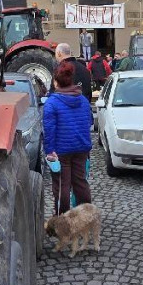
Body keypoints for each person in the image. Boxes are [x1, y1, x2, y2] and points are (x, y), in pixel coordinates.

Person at [42, 62, 93, 215]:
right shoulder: (83, 100)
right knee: (80, 183)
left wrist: (49, 151)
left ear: (55, 82)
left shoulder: (52, 102)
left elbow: (49, 130)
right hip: (81, 148)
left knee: (62, 185)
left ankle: (62, 219)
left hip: (61, 151)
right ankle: (86, 216)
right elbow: (89, 121)